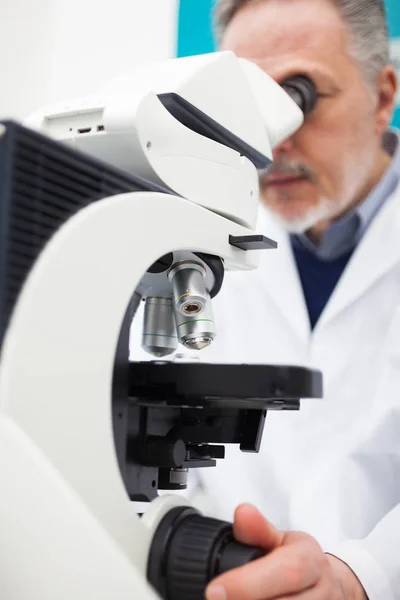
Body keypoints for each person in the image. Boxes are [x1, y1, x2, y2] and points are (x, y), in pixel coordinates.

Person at [187, 1, 400, 599]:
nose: (270, 140)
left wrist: (365, 577)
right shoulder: (195, 245)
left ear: (383, 96)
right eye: (251, 105)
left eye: (298, 94)